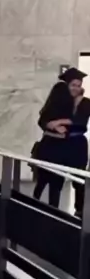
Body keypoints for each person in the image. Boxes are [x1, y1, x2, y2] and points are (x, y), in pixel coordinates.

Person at [33, 68, 90, 216]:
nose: (76, 89)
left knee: (78, 179)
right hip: (58, 145)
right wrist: (51, 126)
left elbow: (80, 123)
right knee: (54, 179)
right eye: (73, 85)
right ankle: (51, 211)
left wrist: (59, 122)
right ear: (67, 85)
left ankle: (79, 211)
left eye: (78, 85)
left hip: (77, 146)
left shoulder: (84, 102)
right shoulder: (60, 99)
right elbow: (43, 120)